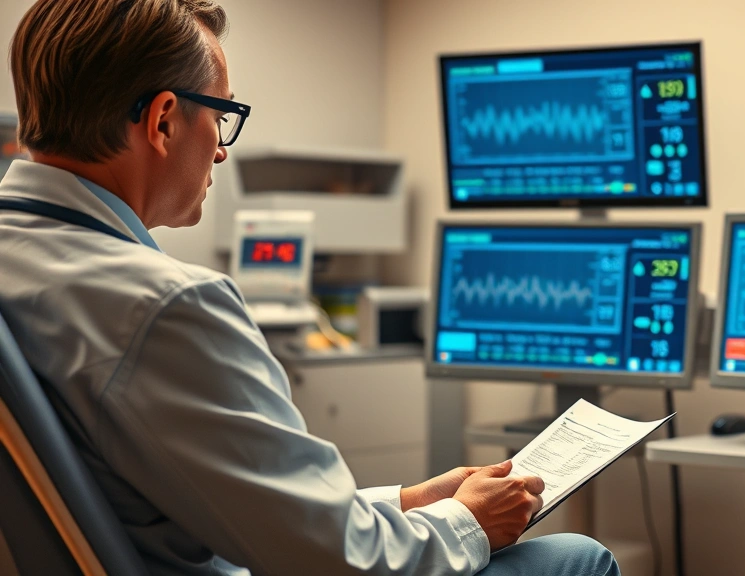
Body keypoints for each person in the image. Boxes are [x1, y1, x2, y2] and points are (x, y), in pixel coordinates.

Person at [0, 1, 621, 575]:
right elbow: (334, 561)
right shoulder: (166, 306)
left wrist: (409, 502)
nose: (221, 152)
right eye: (221, 116)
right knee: (576, 556)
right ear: (163, 121)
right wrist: (470, 521)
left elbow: (260, 515)